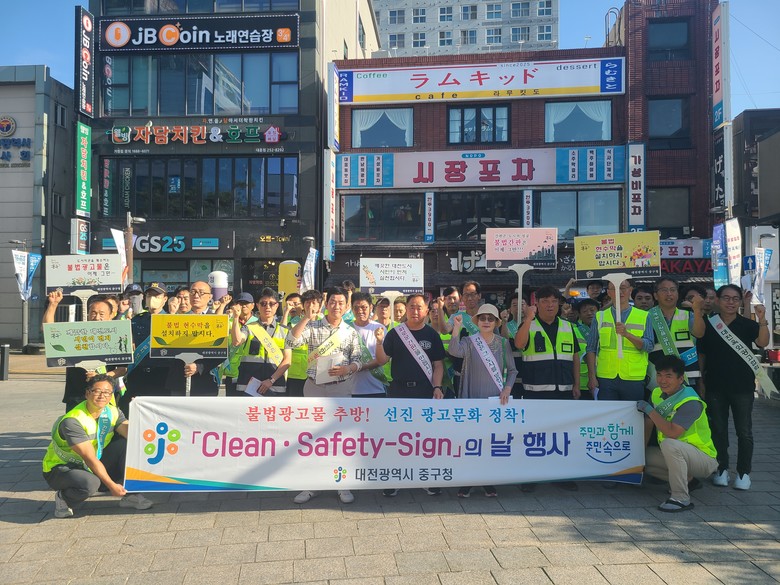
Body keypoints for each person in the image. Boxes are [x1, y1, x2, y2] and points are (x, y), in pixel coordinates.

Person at [286, 287, 363, 505]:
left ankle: (342, 484)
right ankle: (312, 485)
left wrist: (348, 369)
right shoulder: (312, 326)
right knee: (312, 438)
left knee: (341, 439)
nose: (336, 306)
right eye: (333, 302)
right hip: (314, 388)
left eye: (341, 303)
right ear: (326, 304)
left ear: (346, 307)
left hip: (340, 388)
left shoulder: (350, 332)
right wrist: (306, 318)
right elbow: (291, 342)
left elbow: (358, 360)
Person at [42, 375, 153, 518]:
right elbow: (89, 458)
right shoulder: (73, 420)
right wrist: (111, 485)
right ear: (87, 393)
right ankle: (64, 498)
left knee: (127, 445)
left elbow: (132, 435)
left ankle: (131, 495)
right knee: (90, 483)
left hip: (91, 462)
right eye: (97, 391)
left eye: (107, 392)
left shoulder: (112, 411)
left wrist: (140, 413)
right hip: (62, 468)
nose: (102, 396)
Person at [694, 284, 769, 490]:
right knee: (718, 430)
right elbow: (702, 354)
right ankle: (721, 469)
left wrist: (762, 319)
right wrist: (701, 381)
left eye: (735, 298)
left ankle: (744, 473)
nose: (730, 302)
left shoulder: (747, 324)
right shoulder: (709, 324)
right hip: (715, 385)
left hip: (743, 386)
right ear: (718, 300)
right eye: (726, 298)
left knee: (744, 431)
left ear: (739, 302)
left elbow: (763, 342)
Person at [375, 294, 446, 497]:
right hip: (399, 391)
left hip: (424, 391)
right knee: (397, 436)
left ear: (426, 311)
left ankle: (426, 478)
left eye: (419, 307)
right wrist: (379, 343)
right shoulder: (395, 333)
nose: (415, 311)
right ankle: (395, 478)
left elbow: (438, 365)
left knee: (424, 437)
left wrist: (437, 387)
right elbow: (382, 360)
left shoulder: (432, 335)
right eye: (412, 307)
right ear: (406, 309)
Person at [448, 304, 516, 498]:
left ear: (496, 322)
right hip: (472, 398)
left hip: (495, 401)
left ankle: (488, 481)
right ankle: (468, 481)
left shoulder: (503, 343)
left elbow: (512, 370)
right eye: (483, 318)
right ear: (477, 321)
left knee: (489, 442)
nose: (486, 321)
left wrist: (508, 388)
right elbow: (454, 351)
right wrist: (456, 328)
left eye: (490, 318)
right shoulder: (469, 341)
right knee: (471, 442)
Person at [638, 356, 717, 512]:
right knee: (640, 457)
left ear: (681, 379)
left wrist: (650, 411)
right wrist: (638, 454)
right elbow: (648, 424)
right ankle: (689, 481)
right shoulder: (656, 393)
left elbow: (672, 433)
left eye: (669, 376)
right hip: (679, 453)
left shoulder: (690, 401)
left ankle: (680, 498)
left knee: (670, 444)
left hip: (703, 459)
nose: (662, 380)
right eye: (659, 375)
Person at [43, 291, 127, 412]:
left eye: (101, 314)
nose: (97, 317)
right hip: (77, 396)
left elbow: (122, 369)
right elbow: (49, 332)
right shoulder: (76, 333)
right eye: (93, 313)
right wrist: (53, 304)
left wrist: (101, 377)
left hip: (103, 397)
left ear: (111, 316)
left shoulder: (118, 337)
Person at [585, 279, 653, 402]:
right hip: (606, 377)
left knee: (632, 413)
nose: (619, 292)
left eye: (623, 287)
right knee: (608, 413)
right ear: (608, 292)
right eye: (614, 288)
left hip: (633, 377)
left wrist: (627, 334)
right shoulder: (600, 316)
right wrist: (592, 376)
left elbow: (648, 346)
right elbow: (591, 348)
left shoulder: (644, 316)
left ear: (630, 290)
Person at [121, 282, 172, 415]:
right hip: (139, 374)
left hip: (162, 376)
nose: (152, 299)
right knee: (133, 413)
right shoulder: (137, 320)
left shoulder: (172, 321)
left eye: (157, 296)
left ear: (165, 299)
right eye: (149, 295)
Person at [165, 282, 224, 397]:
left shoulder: (217, 320)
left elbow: (221, 353)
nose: (196, 296)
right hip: (179, 381)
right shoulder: (178, 319)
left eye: (201, 293)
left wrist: (199, 367)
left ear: (210, 297)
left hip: (205, 383)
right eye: (193, 292)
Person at [647, 278, 704, 394]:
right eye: (664, 290)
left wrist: (697, 310)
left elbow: (699, 333)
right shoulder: (647, 316)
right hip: (657, 378)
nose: (669, 294)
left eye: (673, 290)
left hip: (686, 376)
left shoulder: (688, 315)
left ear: (677, 294)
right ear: (656, 295)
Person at [232, 289, 291, 396]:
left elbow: (287, 360)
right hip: (248, 384)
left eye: (271, 304)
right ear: (258, 306)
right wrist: (236, 318)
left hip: (275, 385)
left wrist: (271, 380)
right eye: (263, 304)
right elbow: (237, 341)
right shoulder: (249, 327)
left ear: (277, 306)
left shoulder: (285, 331)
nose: (267, 307)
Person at [349, 292, 387, 398]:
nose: (360, 311)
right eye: (356, 308)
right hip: (350, 389)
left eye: (364, 307)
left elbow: (382, 359)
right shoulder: (346, 328)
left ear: (371, 307)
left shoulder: (379, 328)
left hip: (376, 388)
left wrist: (359, 366)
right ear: (352, 308)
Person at [286, 289, 323, 397]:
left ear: (319, 306)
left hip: (318, 373)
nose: (310, 306)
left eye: (314, 303)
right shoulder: (294, 323)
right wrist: (306, 318)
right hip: (296, 374)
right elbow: (290, 339)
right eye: (307, 302)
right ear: (303, 305)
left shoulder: (325, 323)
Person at [223, 292, 257, 397]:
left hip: (253, 372)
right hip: (233, 371)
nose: (243, 306)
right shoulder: (229, 321)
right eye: (240, 303)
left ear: (253, 305)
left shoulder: (258, 323)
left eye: (246, 303)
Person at [574, 298, 599, 400]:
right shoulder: (574, 331)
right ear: (579, 315)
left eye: (592, 310)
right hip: (581, 384)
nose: (589, 313)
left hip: (604, 380)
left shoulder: (605, 330)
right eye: (585, 311)